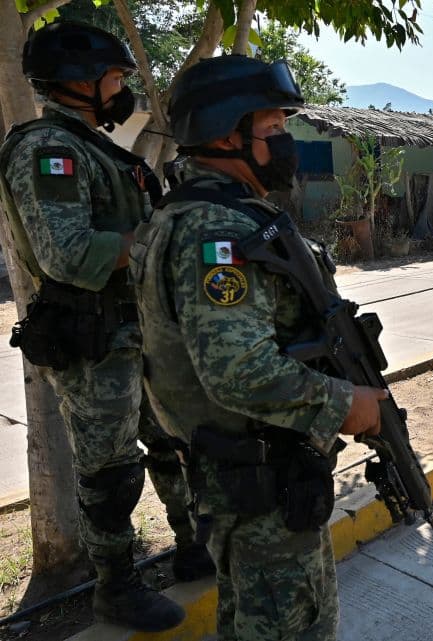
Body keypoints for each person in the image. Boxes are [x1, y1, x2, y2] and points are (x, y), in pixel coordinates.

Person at [132, 54, 388, 640]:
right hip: (260, 485)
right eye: (273, 130)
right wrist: (346, 404)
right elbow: (240, 371)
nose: (288, 143)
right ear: (227, 135)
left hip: (265, 472)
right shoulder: (214, 232)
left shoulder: (217, 214)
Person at [0, 22, 213, 631]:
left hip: (136, 331)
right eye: (117, 78)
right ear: (79, 83)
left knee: (172, 444)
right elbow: (67, 254)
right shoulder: (49, 151)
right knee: (111, 473)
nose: (125, 89)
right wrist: (158, 240)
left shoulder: (94, 146)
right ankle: (117, 586)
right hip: (93, 341)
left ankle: (194, 545)